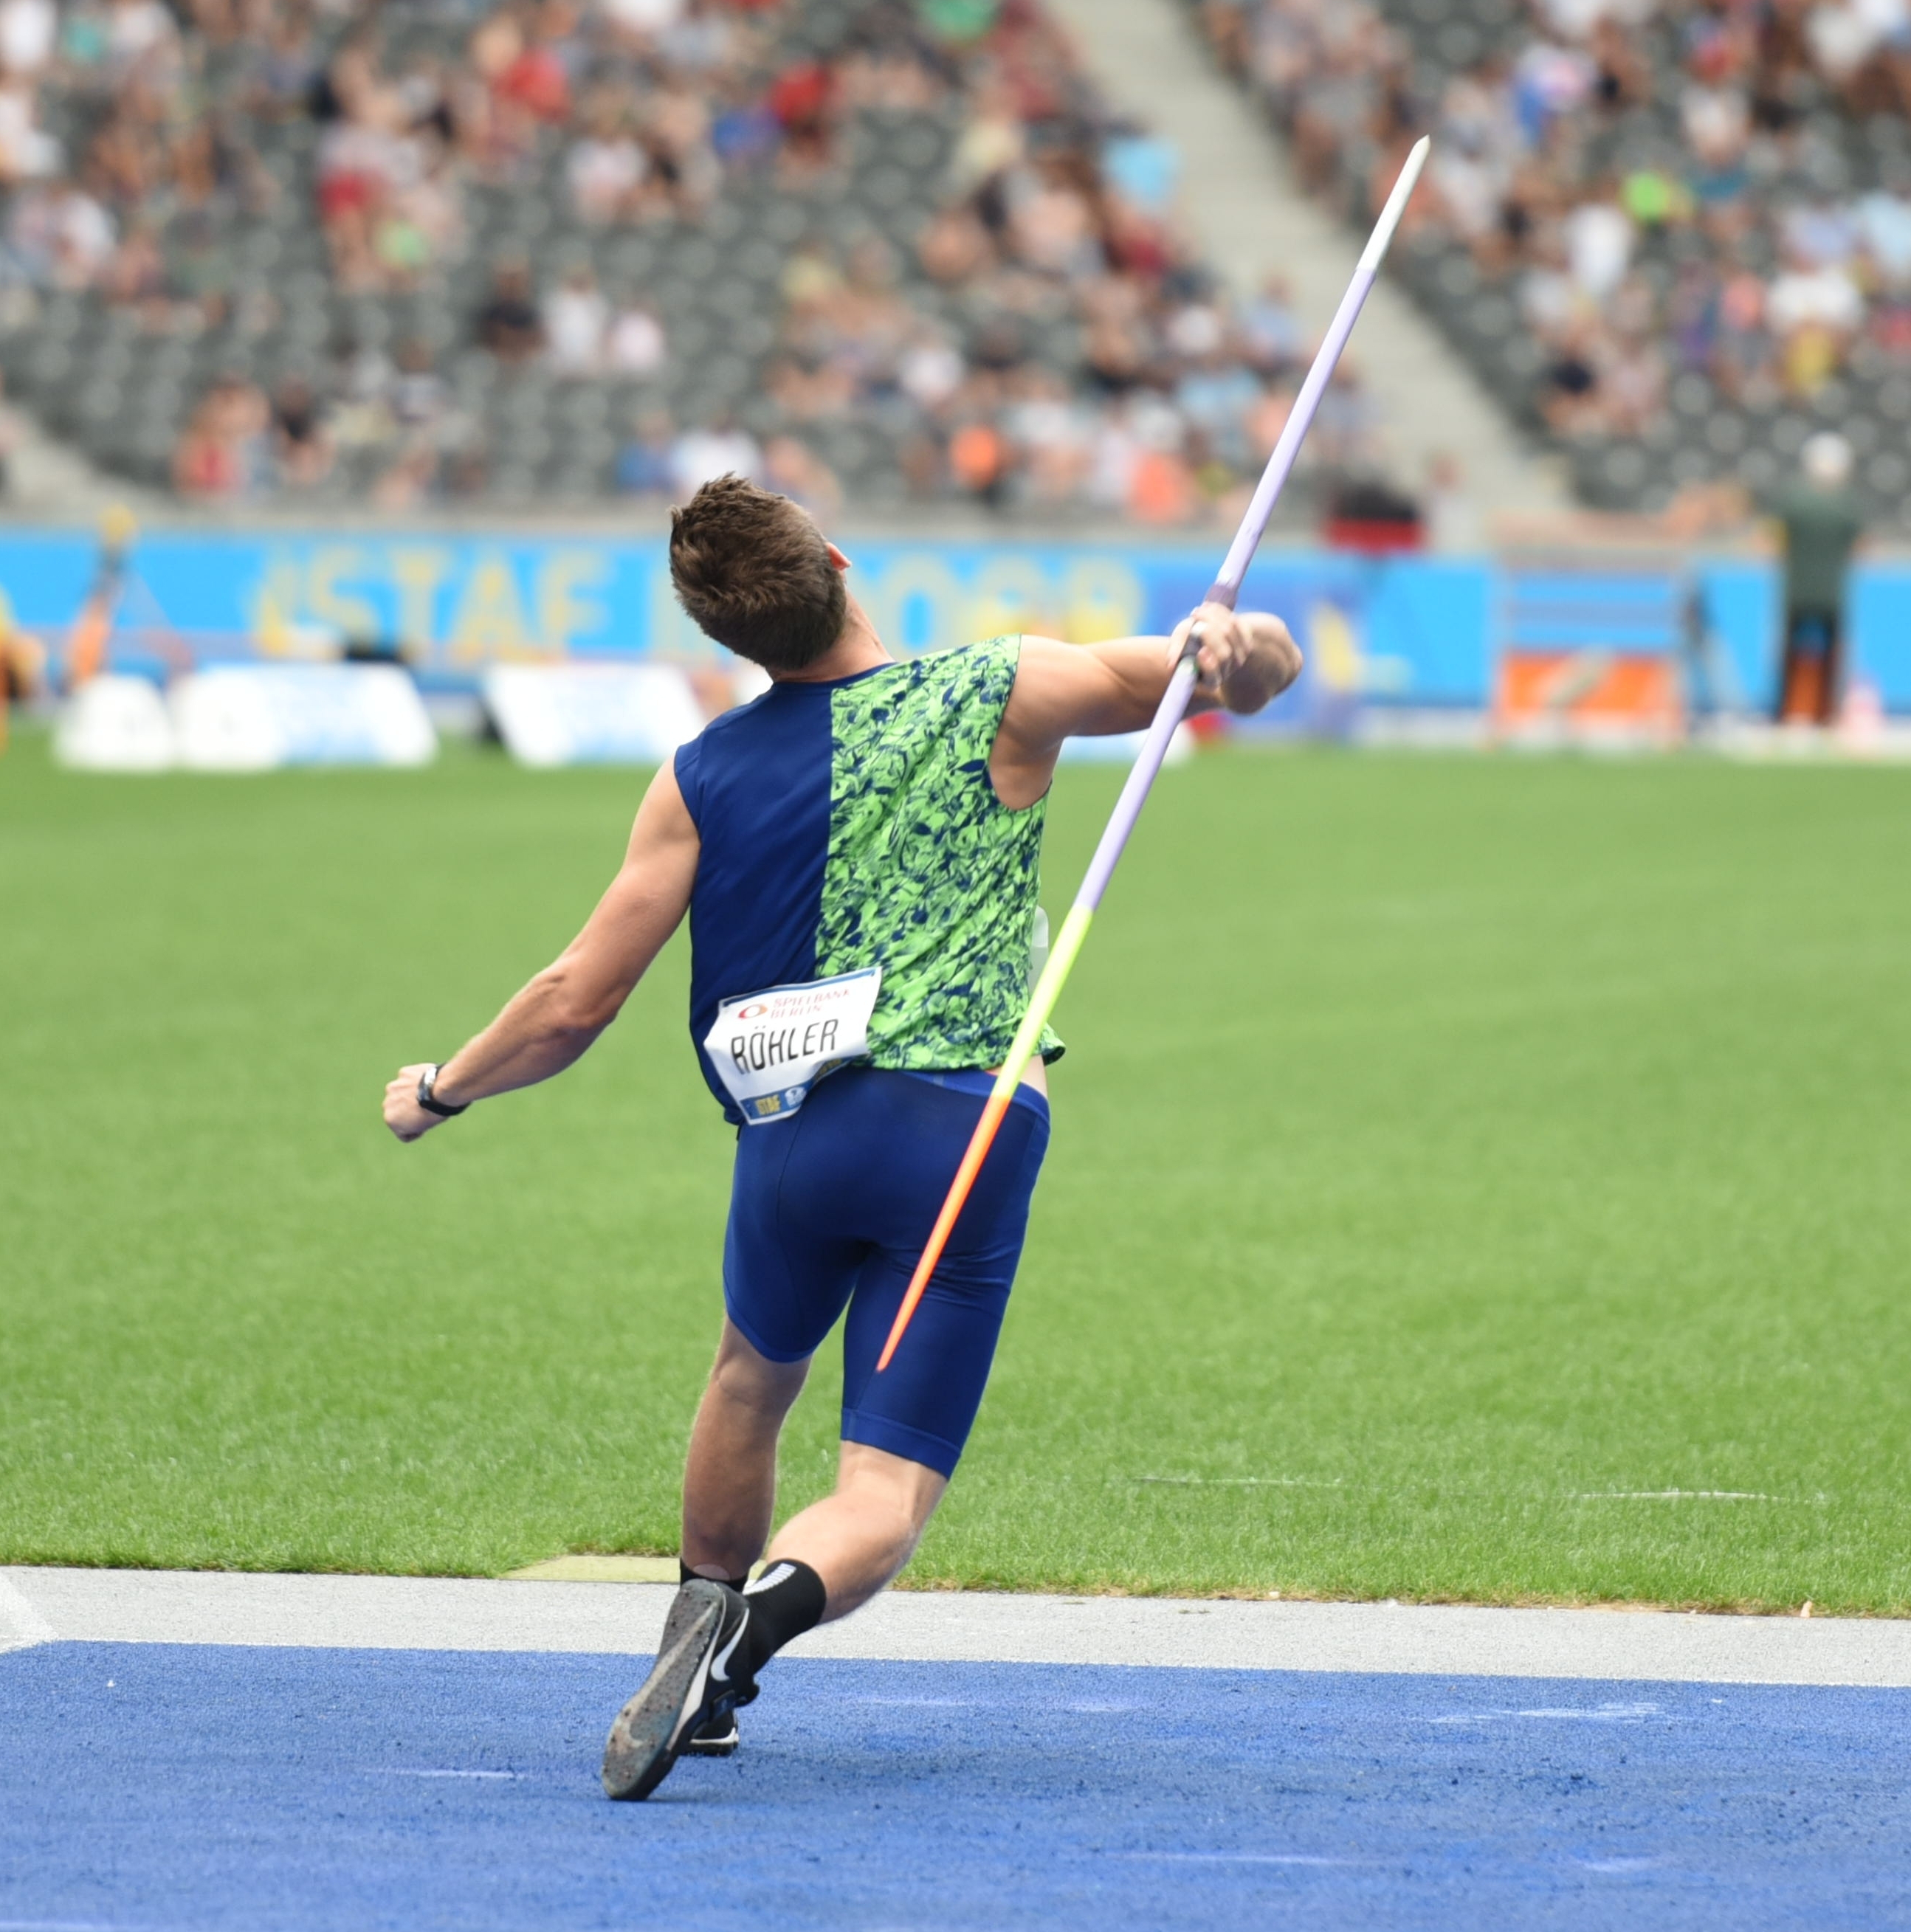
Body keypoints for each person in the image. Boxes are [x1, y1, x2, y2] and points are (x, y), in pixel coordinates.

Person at [381, 476, 1302, 1800]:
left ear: (726, 632)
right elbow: (1231, 680)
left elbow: (573, 1001)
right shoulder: (998, 684)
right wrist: (1235, 643)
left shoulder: (697, 774)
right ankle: (753, 1630)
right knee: (880, 1491)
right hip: (962, 1135)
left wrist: (443, 1087)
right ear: (838, 560)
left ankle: (691, 1642)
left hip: (792, 1141)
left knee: (750, 1380)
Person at [1768, 432, 1864, 725]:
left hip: (1795, 591)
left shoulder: (1794, 499)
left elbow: (1773, 541)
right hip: (1832, 594)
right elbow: (1861, 547)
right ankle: (1827, 713)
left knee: (1788, 654)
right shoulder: (1847, 503)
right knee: (1832, 655)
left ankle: (1784, 713)